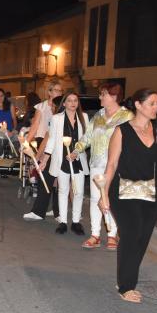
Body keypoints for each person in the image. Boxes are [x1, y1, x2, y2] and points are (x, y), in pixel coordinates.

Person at [100, 88, 157, 303]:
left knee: (142, 239)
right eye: (152, 103)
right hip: (124, 191)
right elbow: (112, 164)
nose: (156, 107)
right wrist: (103, 193)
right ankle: (126, 286)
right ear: (138, 105)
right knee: (131, 233)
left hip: (151, 193)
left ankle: (125, 276)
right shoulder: (122, 131)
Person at [73, 82, 132, 250]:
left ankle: (112, 235)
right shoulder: (98, 115)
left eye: (103, 94)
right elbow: (88, 136)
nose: (100, 97)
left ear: (113, 97)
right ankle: (95, 235)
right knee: (95, 199)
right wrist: (76, 150)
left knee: (111, 199)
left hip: (117, 165)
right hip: (97, 165)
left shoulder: (127, 117)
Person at [38, 93, 89, 235]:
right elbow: (52, 140)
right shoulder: (57, 119)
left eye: (75, 100)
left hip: (77, 159)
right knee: (63, 190)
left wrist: (77, 152)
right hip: (61, 160)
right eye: (69, 100)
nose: (73, 103)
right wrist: (45, 159)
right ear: (64, 103)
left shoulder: (84, 117)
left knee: (78, 192)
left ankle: (76, 221)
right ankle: (63, 222)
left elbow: (86, 138)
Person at [23, 96, 64, 221]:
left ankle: (39, 212)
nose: (50, 107)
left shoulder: (56, 118)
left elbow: (48, 138)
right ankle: (58, 212)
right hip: (60, 152)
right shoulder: (62, 117)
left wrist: (38, 155)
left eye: (52, 106)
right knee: (58, 183)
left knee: (46, 180)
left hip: (54, 152)